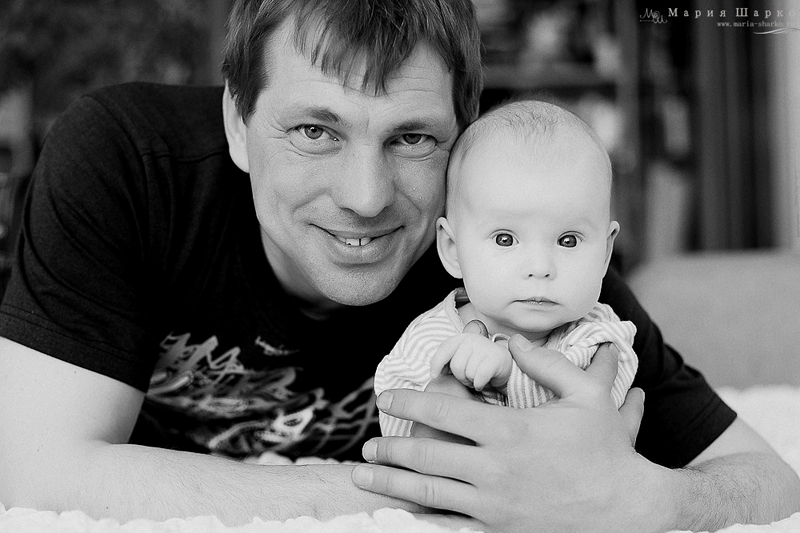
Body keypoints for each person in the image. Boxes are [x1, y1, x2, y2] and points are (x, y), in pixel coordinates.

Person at [0, 0, 796, 531]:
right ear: (239, 123)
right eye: (315, 131)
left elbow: (768, 482)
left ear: (463, 139)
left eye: (412, 138)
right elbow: (32, 466)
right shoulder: (129, 164)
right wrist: (423, 501)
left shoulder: (508, 255)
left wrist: (649, 499)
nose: (366, 197)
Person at [375, 99, 638, 439]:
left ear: (605, 253)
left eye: (568, 240)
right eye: (505, 239)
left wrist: (506, 377)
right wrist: (449, 390)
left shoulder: (600, 334)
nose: (540, 268)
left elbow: (596, 413)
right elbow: (394, 416)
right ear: (453, 249)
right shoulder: (431, 337)